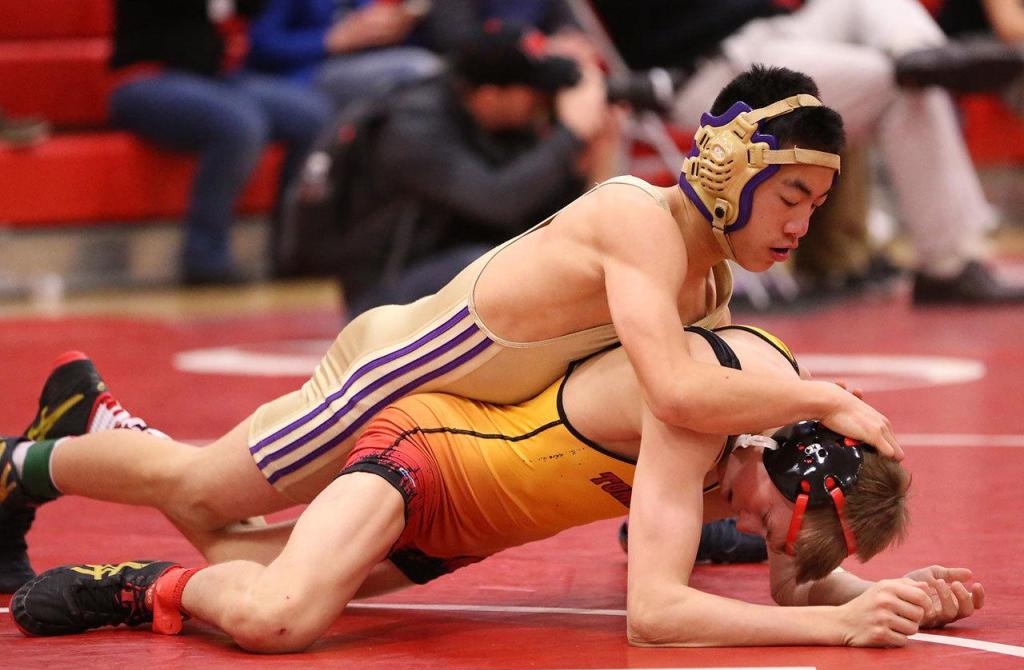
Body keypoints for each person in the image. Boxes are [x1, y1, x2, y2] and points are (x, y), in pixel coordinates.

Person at [0, 65, 903, 593]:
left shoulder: (705, 286)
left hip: (444, 421)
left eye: (816, 208)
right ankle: (25, 461)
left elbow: (683, 445)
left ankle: (87, 431)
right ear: (729, 166)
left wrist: (810, 554)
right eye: (792, 197)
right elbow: (673, 391)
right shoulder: (642, 221)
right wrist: (826, 393)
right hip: (390, 377)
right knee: (203, 495)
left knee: (261, 559)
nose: (799, 227)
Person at [9, 325, 981, 652]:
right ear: (781, 455)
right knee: (276, 611)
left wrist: (892, 602)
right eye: (777, 523)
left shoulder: (767, 462)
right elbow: (654, 610)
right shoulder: (696, 411)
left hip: (460, 529)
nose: (769, 542)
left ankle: (98, 424)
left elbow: (786, 585)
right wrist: (831, 625)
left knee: (233, 547)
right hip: (429, 455)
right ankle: (127, 578)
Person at [593, 0, 1024, 305]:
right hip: (710, 68)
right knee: (900, 86)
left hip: (773, 32)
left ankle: (922, 52)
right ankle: (948, 263)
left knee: (887, 29)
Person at [318, 21, 618, 313]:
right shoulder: (414, 128)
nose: (543, 100)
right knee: (493, 265)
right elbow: (499, 202)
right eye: (533, 91)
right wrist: (568, 136)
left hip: (454, 266)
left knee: (541, 256)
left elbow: (540, 220)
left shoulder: (501, 123)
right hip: (384, 296)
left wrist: (588, 162)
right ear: (489, 97)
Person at [108, 0, 333, 284]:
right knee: (239, 124)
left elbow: (252, 10)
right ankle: (205, 256)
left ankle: (294, 248)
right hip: (146, 78)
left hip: (213, 80)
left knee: (311, 114)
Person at [245, 0, 444, 112]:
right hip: (301, 73)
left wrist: (398, 26)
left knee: (435, 75)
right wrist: (328, 40)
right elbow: (259, 46)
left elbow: (364, 26)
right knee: (420, 69)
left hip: (352, 65)